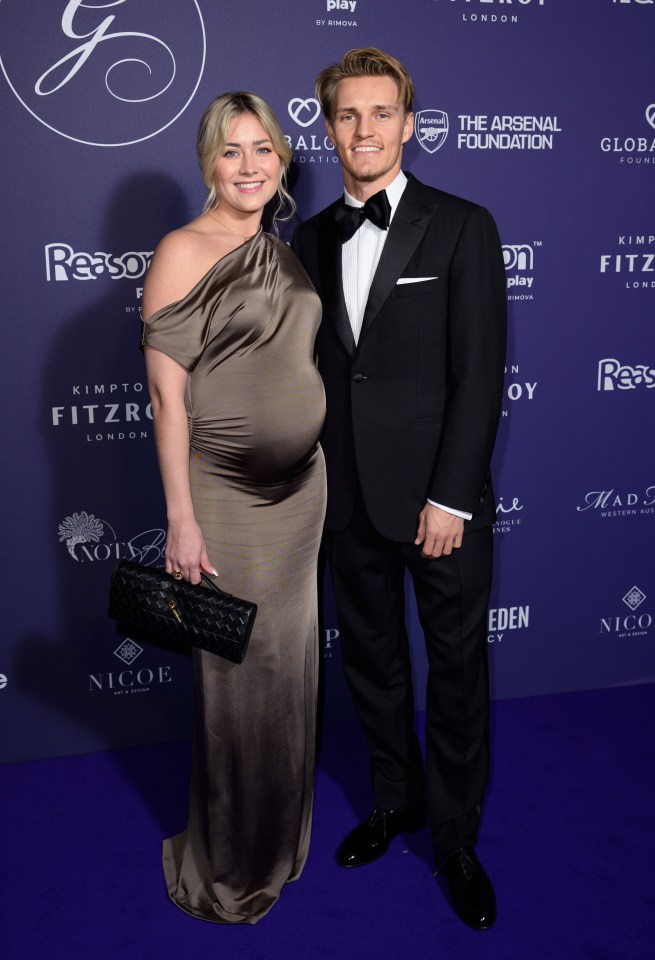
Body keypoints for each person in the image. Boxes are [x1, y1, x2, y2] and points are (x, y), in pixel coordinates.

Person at [293, 49, 506, 930]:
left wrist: (451, 498)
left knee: (453, 673)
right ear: (328, 127)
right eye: (348, 116)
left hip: (437, 505)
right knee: (374, 667)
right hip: (345, 504)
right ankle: (394, 801)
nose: (365, 130)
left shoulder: (462, 224)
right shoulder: (305, 238)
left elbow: (480, 371)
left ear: (409, 125)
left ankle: (454, 838)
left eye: (382, 114)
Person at [141, 92, 326, 924]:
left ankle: (278, 842)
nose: (249, 166)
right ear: (207, 162)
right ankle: (230, 861)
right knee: (238, 679)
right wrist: (182, 517)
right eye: (231, 152)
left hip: (301, 493)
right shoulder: (184, 248)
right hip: (225, 496)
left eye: (264, 150)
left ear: (280, 161)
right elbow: (165, 398)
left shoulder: (278, 248)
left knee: (287, 675)